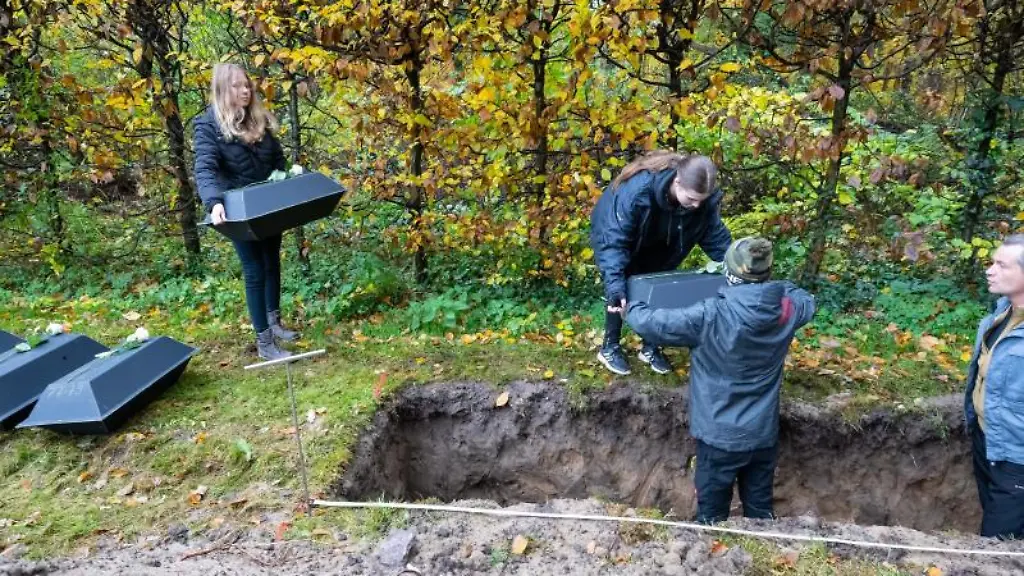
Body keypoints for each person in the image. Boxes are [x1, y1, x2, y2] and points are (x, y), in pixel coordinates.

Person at [626, 236, 815, 523]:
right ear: (767, 272)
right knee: (761, 512)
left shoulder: (709, 314)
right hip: (762, 435)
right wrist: (777, 287)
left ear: (728, 272)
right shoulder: (787, 310)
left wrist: (631, 307)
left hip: (718, 438)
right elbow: (806, 300)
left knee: (711, 516)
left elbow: (651, 323)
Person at [590, 151, 732, 376]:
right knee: (620, 288)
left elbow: (716, 238)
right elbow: (613, 244)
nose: (696, 205)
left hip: (664, 240)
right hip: (617, 235)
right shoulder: (638, 192)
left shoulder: (701, 205)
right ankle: (610, 346)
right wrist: (615, 286)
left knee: (660, 288)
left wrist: (739, 268)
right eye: (692, 198)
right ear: (677, 182)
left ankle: (650, 346)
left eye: (701, 200)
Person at [193, 62, 297, 361]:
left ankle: (274, 323)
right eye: (238, 85)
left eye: (247, 85)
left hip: (268, 205)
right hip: (238, 211)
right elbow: (205, 168)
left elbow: (277, 159)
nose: (246, 90)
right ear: (224, 89)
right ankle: (265, 344)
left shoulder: (257, 120)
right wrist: (214, 203)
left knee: (271, 262)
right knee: (253, 270)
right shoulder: (208, 126)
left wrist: (287, 183)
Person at [964, 234, 1024, 539]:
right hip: (986, 440)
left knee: (999, 546)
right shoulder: (1000, 314)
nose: (990, 270)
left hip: (1017, 459)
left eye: (1001, 265)